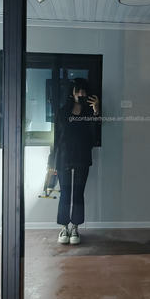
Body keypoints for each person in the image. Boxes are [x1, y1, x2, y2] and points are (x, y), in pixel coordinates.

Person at [47, 77, 100, 245]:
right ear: (72, 92)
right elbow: (56, 137)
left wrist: (96, 110)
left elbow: (96, 131)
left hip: (82, 156)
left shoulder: (89, 112)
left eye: (83, 90)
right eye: (78, 90)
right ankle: (64, 228)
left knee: (78, 193)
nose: (81, 93)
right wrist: (51, 160)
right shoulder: (63, 111)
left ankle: (75, 227)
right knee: (65, 193)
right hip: (64, 157)